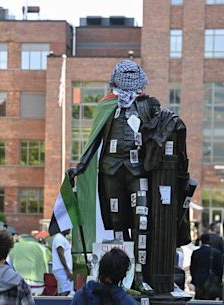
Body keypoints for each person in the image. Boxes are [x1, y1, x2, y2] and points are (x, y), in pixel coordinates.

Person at [68, 60, 194, 292]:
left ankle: (140, 275)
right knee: (118, 226)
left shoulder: (148, 104)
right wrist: (81, 165)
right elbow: (95, 140)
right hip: (111, 170)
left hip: (138, 169)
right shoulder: (107, 106)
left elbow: (167, 124)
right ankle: (122, 277)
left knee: (142, 220)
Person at [190, 233, 223, 300]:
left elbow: (192, 268)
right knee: (211, 301)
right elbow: (220, 270)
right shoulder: (217, 253)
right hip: (211, 281)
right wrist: (219, 281)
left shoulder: (196, 252)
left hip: (199, 281)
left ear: (201, 241)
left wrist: (194, 280)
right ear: (210, 241)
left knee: (199, 301)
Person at [52, 228, 74, 295]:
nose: (69, 229)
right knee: (66, 291)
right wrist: (67, 270)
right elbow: (61, 255)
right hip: (62, 269)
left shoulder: (61, 238)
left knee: (62, 291)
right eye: (67, 227)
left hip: (62, 269)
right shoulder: (59, 238)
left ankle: (54, 304)